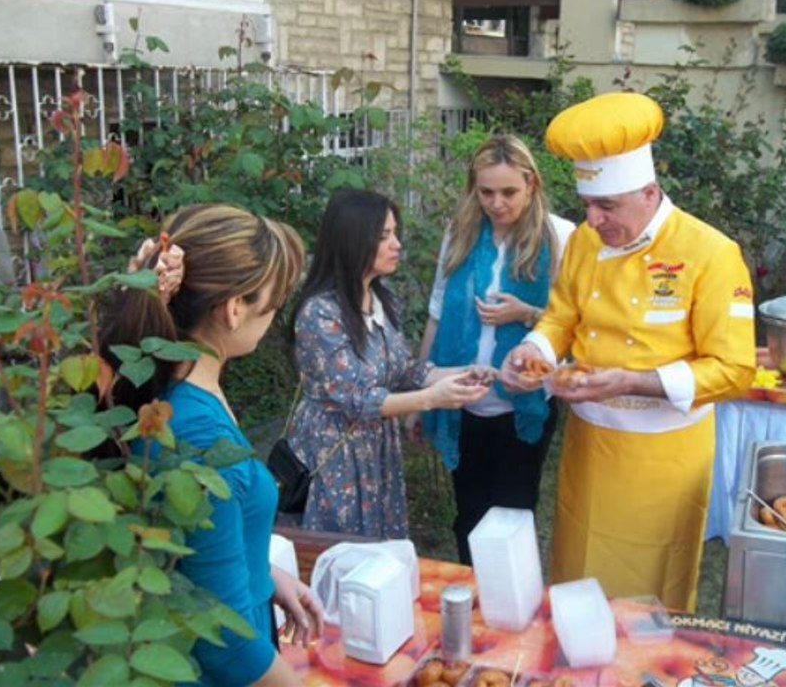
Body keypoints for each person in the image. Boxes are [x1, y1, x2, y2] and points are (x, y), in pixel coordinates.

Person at [500, 92, 757, 612]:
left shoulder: (710, 254)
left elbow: (734, 370)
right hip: (591, 445)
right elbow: (563, 314)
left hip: (665, 457)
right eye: (587, 206)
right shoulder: (584, 243)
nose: (593, 220)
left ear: (649, 192)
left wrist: (633, 381)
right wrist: (533, 349)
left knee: (649, 597)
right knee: (579, 575)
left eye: (607, 206)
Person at [102, 203, 324, 687]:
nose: (274, 314)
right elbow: (226, 650)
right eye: (274, 299)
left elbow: (190, 548)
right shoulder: (197, 434)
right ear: (234, 307)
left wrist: (264, 578)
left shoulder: (183, 388)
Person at [289, 189, 490, 540]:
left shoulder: (383, 298)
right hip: (335, 451)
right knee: (339, 553)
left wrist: (463, 373)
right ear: (352, 240)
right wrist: (433, 399)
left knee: (378, 551)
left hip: (377, 449)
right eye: (383, 236)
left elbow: (406, 371)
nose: (396, 244)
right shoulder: (319, 313)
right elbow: (359, 400)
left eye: (395, 233)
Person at [417, 134, 575, 564]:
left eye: (509, 192)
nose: (497, 203)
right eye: (486, 192)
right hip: (462, 398)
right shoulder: (462, 232)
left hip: (522, 405)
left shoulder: (562, 236)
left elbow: (573, 327)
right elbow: (436, 312)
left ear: (532, 185)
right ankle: (471, 609)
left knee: (512, 516)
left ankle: (510, 611)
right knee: (467, 515)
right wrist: (420, 392)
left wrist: (526, 314)